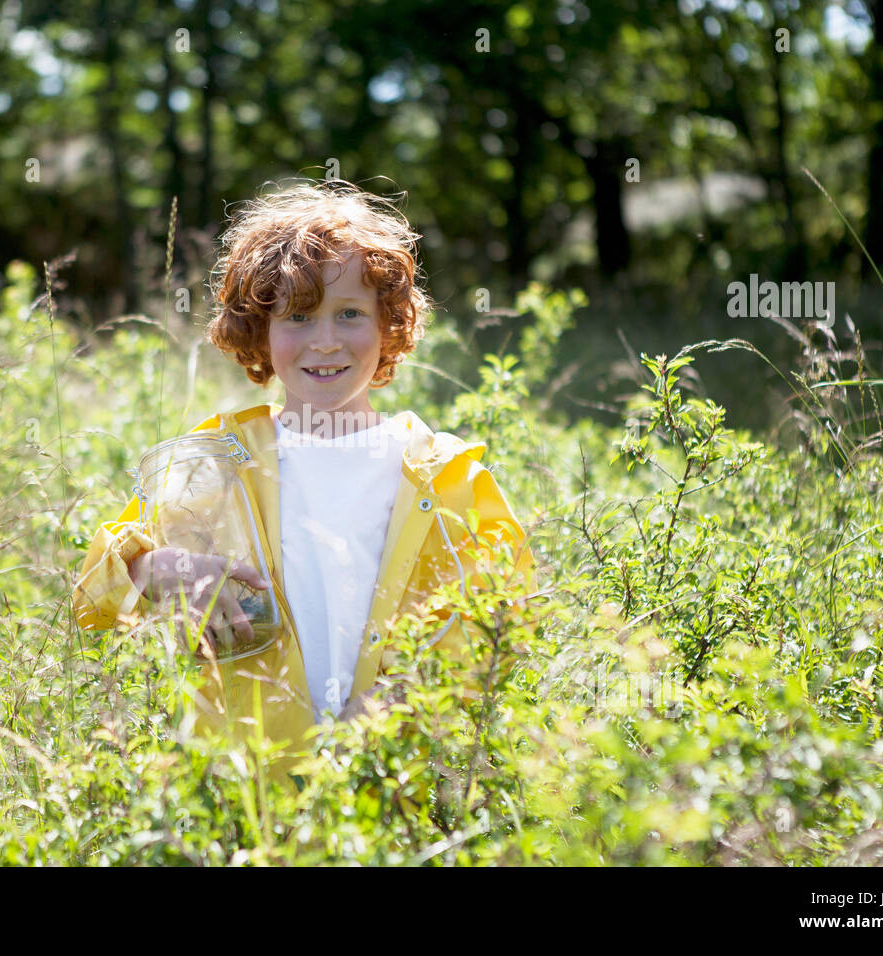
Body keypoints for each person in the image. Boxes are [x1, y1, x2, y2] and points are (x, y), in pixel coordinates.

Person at [71, 179, 537, 777]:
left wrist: (387, 711)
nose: (325, 341)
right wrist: (153, 569)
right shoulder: (214, 461)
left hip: (396, 789)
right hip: (245, 794)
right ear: (257, 329)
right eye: (297, 316)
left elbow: (502, 618)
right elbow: (92, 602)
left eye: (350, 314)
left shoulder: (445, 476)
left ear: (389, 324)